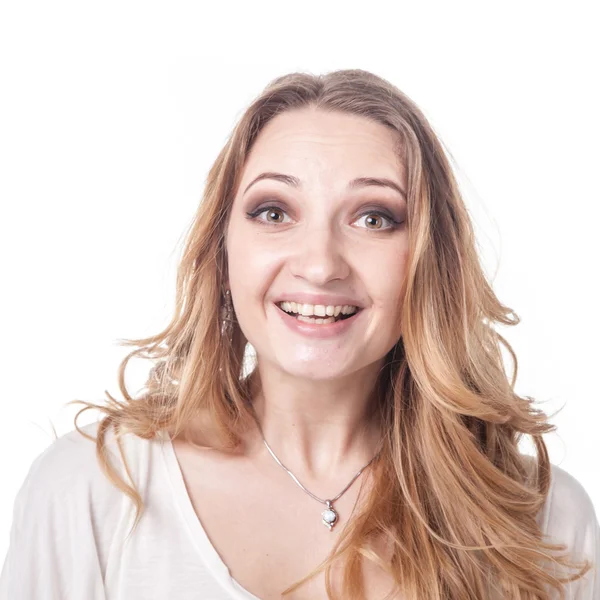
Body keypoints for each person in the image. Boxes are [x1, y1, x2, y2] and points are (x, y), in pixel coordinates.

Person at [1, 69, 598, 600]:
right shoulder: (91, 492)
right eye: (274, 212)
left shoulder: (540, 520)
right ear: (221, 250)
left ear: (428, 261)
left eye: (374, 217)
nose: (320, 264)